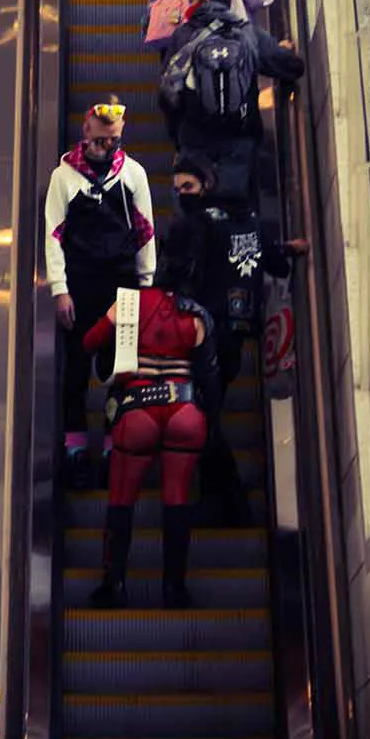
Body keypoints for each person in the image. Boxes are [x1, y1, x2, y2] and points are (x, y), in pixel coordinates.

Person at [163, 150, 306, 524]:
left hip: (202, 338)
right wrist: (288, 249)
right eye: (179, 188)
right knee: (202, 416)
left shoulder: (191, 226)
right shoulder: (249, 222)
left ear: (206, 185)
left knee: (199, 420)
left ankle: (234, 505)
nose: (183, 194)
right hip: (237, 336)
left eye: (188, 186)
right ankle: (218, 501)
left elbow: (173, 274)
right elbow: (272, 261)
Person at [81, 253, 216, 609]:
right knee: (177, 499)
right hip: (184, 410)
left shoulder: (130, 303)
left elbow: (90, 341)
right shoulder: (199, 315)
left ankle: (115, 584)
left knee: (122, 498)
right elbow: (208, 374)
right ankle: (174, 589)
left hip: (137, 408)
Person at [46, 99, 157, 486]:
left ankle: (114, 447)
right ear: (85, 130)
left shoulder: (134, 175)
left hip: (123, 285)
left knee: (120, 371)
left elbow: (146, 233)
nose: (106, 146)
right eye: (101, 137)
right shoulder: (64, 177)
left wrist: (146, 286)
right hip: (80, 283)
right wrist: (60, 289)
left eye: (113, 140)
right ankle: (75, 449)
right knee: (75, 370)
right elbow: (53, 235)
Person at [160, 0, 305, 206]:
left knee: (195, 214)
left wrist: (178, 140)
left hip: (195, 141)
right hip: (239, 141)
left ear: (204, 1)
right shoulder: (247, 33)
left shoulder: (183, 37)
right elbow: (292, 67)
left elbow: (167, 95)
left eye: (192, 1)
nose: (188, 6)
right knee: (238, 211)